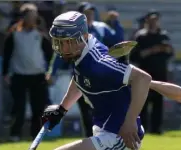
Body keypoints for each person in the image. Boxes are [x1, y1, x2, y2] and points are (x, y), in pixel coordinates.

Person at [42, 11, 161, 150]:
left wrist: (129, 123)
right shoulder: (81, 53)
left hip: (120, 132)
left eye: (68, 42)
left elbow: (143, 79)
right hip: (107, 125)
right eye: (59, 42)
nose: (63, 47)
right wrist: (62, 108)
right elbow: (80, 79)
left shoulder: (98, 61)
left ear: (82, 36)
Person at [46, 2, 125, 137]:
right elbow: (61, 57)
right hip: (83, 73)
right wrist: (51, 72)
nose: (90, 15)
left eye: (91, 13)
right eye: (87, 13)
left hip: (99, 75)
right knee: (86, 110)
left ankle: (104, 136)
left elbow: (118, 38)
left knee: (99, 107)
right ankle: (91, 136)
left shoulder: (100, 30)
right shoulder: (71, 37)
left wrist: (115, 21)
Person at [3, 3, 53, 141]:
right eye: (29, 16)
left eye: (34, 16)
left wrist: (50, 72)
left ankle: (35, 134)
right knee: (18, 106)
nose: (32, 19)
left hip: (38, 75)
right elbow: (7, 55)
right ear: (23, 17)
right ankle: (15, 134)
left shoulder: (41, 35)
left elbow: (50, 56)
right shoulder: (14, 34)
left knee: (38, 107)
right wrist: (5, 73)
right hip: (19, 75)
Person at [130, 9, 174, 134]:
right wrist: (151, 51)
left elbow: (170, 53)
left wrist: (165, 50)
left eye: (156, 20)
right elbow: (135, 56)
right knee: (142, 102)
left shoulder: (164, 35)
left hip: (160, 73)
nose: (154, 23)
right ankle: (142, 127)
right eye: (152, 20)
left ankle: (156, 128)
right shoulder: (140, 36)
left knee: (158, 103)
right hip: (145, 74)